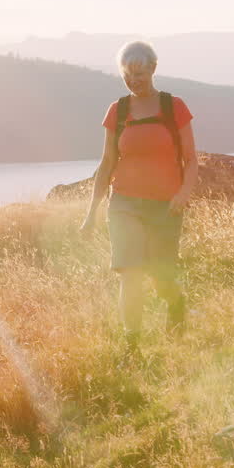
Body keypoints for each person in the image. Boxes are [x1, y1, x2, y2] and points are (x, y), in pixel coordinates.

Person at [80, 41, 198, 345]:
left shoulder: (175, 107)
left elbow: (191, 160)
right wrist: (91, 213)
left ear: (153, 69)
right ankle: (131, 345)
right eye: (127, 75)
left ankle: (175, 302)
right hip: (124, 204)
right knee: (130, 274)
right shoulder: (117, 111)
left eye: (139, 74)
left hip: (165, 206)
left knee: (161, 278)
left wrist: (183, 193)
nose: (134, 81)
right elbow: (107, 163)